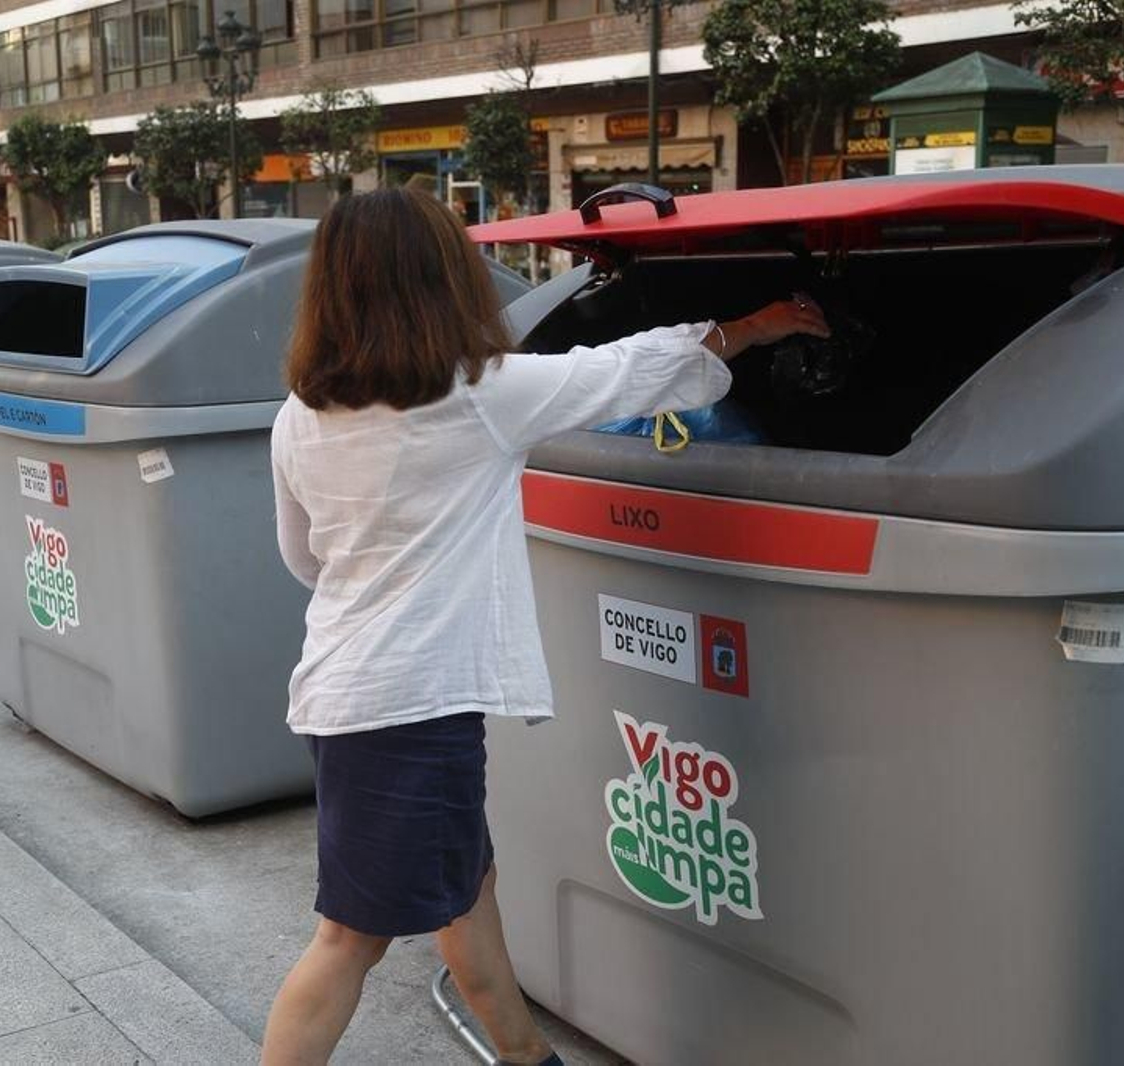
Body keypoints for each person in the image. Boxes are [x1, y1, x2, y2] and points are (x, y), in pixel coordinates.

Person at [263, 187, 829, 1066]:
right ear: (441, 281)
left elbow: (304, 560)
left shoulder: (299, 415)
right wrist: (752, 328)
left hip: (349, 692)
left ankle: (528, 1057)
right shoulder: (477, 396)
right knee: (350, 938)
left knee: (468, 894)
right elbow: (623, 370)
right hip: (409, 710)